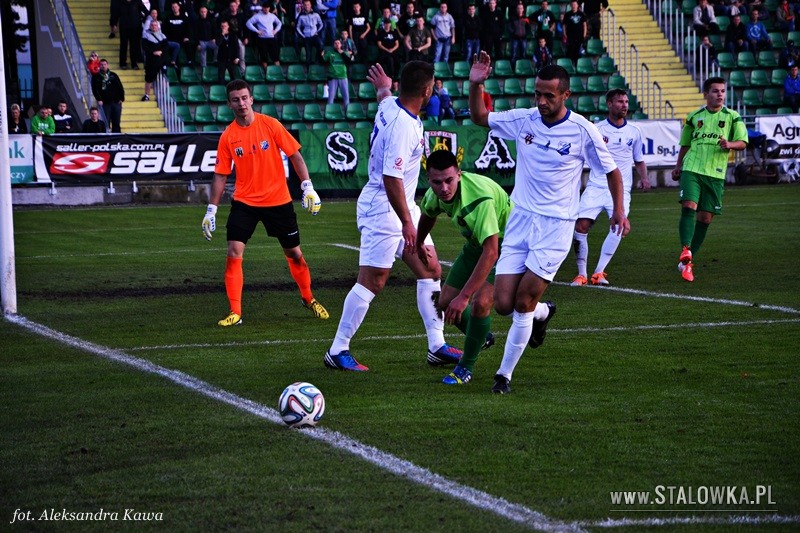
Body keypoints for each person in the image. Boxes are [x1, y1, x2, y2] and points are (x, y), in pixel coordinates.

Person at [468, 53, 628, 394]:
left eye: (548, 96)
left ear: (565, 95)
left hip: (556, 226)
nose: (541, 101)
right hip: (520, 220)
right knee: (503, 304)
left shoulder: (583, 130)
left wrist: (619, 210)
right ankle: (543, 313)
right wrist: (476, 83)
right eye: (538, 94)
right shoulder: (525, 120)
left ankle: (503, 376)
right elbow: (480, 116)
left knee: (522, 302)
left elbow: (612, 172)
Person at [324, 61, 463, 372]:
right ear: (428, 91)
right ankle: (338, 349)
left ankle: (436, 346)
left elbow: (384, 96)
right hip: (385, 209)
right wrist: (407, 223)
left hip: (399, 205)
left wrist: (383, 86)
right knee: (373, 280)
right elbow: (391, 178)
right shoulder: (402, 125)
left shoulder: (391, 105)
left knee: (430, 269)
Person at [202, 79, 329, 327]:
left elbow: (295, 155)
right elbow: (220, 174)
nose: (241, 103)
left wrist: (307, 187)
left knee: (294, 254)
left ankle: (308, 298)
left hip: (278, 201)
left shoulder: (270, 125)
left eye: (244, 98)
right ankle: (235, 312)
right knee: (233, 251)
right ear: (229, 104)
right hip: (244, 203)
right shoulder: (228, 136)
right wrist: (211, 210)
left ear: (252, 99)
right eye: (235, 99)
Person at [416, 149, 511, 385]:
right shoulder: (435, 193)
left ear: (459, 174)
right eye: (437, 182)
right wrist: (419, 242)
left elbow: (492, 252)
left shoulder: (478, 199)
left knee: (480, 304)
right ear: (429, 180)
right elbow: (428, 213)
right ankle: (480, 336)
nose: (444, 188)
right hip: (476, 244)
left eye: (449, 180)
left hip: (509, 245)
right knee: (445, 301)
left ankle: (465, 368)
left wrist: (465, 297)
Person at [671, 77, 747, 283]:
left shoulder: (733, 117)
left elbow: (742, 142)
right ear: (706, 94)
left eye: (722, 91)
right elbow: (685, 144)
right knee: (689, 206)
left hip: (715, 173)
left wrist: (729, 144)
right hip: (692, 168)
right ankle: (685, 250)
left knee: (705, 219)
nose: (720, 94)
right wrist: (678, 166)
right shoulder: (694, 116)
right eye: (715, 91)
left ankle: (687, 262)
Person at [571, 89, 650, 287]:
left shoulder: (634, 132)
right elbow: (582, 154)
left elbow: (639, 160)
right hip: (597, 184)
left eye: (625, 102)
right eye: (619, 102)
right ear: (609, 104)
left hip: (621, 189)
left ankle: (598, 273)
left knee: (618, 227)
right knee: (580, 226)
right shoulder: (596, 130)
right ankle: (581, 274)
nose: (624, 105)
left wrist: (645, 178)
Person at [91, 59, 125, 133]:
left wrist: (121, 98)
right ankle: (106, 139)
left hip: (116, 102)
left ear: (107, 65)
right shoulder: (96, 77)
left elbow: (120, 87)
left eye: (105, 64)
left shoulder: (113, 75)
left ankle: (117, 138)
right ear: (99, 66)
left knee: (116, 122)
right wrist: (98, 99)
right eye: (101, 65)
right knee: (106, 122)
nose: (103, 66)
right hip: (105, 103)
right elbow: (94, 89)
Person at [247, 1, 283, 67]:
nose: (266, 9)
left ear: (269, 8)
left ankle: (278, 72)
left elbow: (279, 23)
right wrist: (256, 31)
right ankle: (266, 73)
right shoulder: (257, 16)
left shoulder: (272, 16)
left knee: (275, 57)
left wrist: (276, 30)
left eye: (267, 8)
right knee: (264, 58)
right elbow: (248, 23)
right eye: (265, 8)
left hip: (271, 38)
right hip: (262, 39)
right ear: (262, 8)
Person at [142, 20, 170, 101]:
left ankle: (164, 96)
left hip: (161, 60)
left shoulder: (162, 36)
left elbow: (166, 47)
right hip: (151, 61)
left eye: (155, 25)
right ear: (150, 26)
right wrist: (153, 52)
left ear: (158, 27)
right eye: (152, 25)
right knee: (149, 78)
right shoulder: (146, 36)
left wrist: (160, 51)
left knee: (164, 78)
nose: (154, 27)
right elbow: (145, 47)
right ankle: (147, 95)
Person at [321, 38, 353, 107]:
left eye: (338, 43)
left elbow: (349, 62)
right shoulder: (330, 53)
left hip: (343, 77)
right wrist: (321, 56)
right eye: (335, 43)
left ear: (341, 44)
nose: (337, 44)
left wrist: (342, 53)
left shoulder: (345, 53)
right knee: (331, 98)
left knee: (346, 98)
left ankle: (347, 113)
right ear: (333, 45)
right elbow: (323, 61)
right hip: (333, 77)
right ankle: (329, 113)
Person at [118, 0, 146, 69]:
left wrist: (142, 18)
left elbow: (145, 11)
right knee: (123, 45)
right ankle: (122, 63)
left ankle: (134, 63)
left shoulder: (137, 1)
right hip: (123, 27)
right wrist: (113, 23)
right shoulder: (120, 2)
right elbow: (115, 12)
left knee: (133, 45)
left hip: (134, 27)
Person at [296, 0, 324, 66]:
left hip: (315, 35)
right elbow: (297, 27)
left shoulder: (316, 14)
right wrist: (302, 35)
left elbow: (321, 24)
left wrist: (317, 32)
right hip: (306, 37)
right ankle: (308, 71)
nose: (307, 6)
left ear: (310, 5)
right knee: (308, 55)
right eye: (305, 5)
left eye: (308, 4)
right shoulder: (301, 16)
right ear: (303, 6)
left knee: (321, 45)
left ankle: (317, 61)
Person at [563, 0, 587, 65]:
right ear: (571, 6)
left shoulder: (581, 14)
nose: (573, 6)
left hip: (579, 36)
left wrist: (584, 34)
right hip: (570, 36)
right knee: (570, 52)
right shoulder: (567, 14)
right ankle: (570, 66)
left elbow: (584, 25)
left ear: (577, 5)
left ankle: (577, 66)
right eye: (572, 5)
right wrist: (564, 33)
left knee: (578, 53)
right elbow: (564, 25)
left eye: (575, 4)